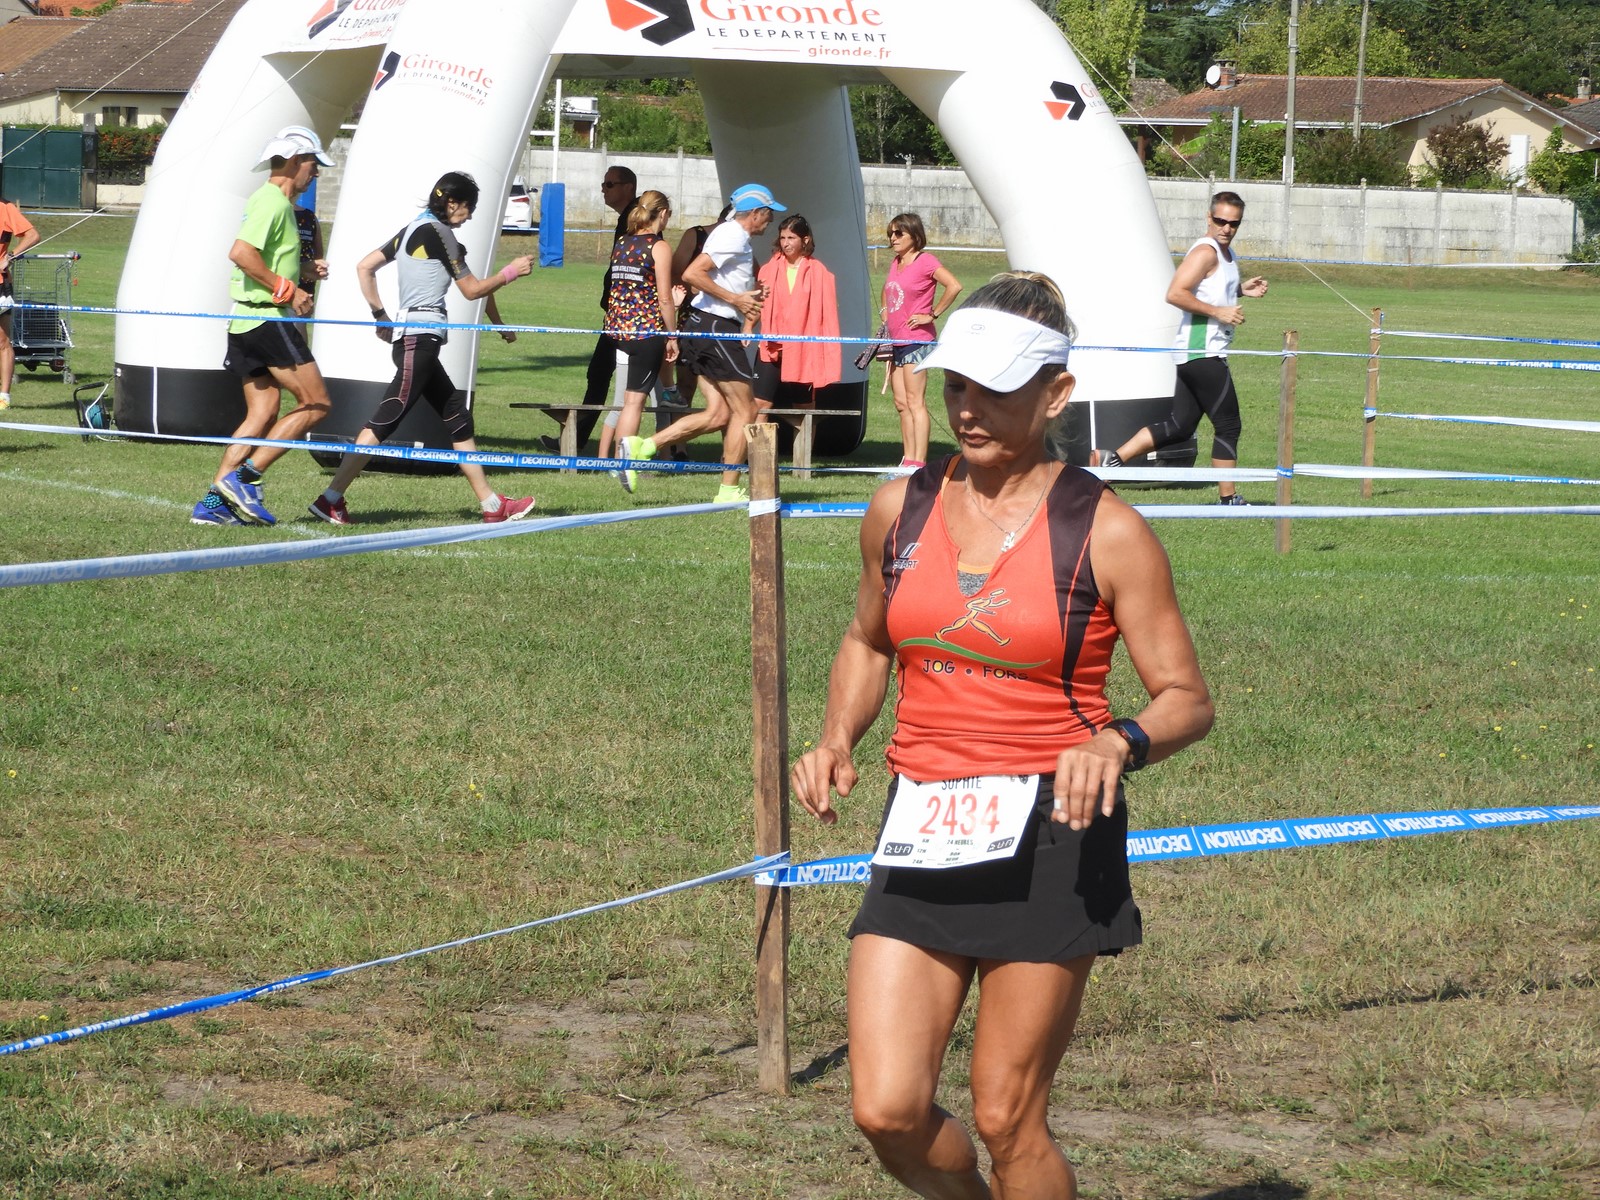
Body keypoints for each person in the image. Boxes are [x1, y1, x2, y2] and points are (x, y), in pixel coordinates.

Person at [790, 272, 1214, 1200]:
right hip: (924, 823)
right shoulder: (899, 508)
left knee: (1007, 1117)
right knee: (886, 1109)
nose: (968, 409)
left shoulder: (1107, 530)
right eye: (955, 386)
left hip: (1056, 829)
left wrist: (1118, 742)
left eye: (996, 389)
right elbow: (868, 639)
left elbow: (1187, 697)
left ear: (1057, 393)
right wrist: (836, 737)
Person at [308, 171, 536, 526]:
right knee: (387, 417)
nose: (470, 216)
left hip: (412, 339)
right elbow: (472, 290)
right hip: (420, 340)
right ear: (452, 203)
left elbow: (365, 267)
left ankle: (492, 505)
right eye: (469, 207)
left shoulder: (412, 229)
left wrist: (381, 317)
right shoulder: (440, 233)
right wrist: (511, 272)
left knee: (457, 417)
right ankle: (330, 499)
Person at [192, 125, 336, 526]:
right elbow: (241, 253)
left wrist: (302, 268)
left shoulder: (271, 201)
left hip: (245, 321)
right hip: (268, 320)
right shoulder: (273, 202)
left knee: (263, 413)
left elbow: (263, 257)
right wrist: (288, 290)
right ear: (294, 161)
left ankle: (213, 504)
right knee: (318, 404)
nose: (316, 172)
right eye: (313, 164)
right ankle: (245, 479)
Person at [1092, 190, 1268, 505]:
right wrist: (1218, 312)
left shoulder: (1226, 254)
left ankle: (1110, 460)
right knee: (1228, 425)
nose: (1226, 228)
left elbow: (1209, 289)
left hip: (1196, 353)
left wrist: (1240, 290)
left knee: (1179, 426)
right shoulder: (1205, 252)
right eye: (1220, 221)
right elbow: (1175, 293)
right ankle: (1228, 499)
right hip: (1202, 353)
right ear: (1209, 217)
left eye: (1234, 223)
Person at [619, 182, 783, 504]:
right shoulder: (732, 235)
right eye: (769, 213)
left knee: (719, 414)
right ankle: (728, 491)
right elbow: (693, 274)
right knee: (747, 409)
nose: (771, 220)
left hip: (705, 326)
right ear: (755, 212)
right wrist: (735, 299)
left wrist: (745, 297)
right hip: (715, 328)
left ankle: (643, 446)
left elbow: (715, 280)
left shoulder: (732, 235)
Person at [543, 164, 637, 454]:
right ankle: (575, 441)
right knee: (599, 376)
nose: (603, 190)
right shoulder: (626, 218)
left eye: (610, 184)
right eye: (603, 184)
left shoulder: (634, 219)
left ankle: (663, 450)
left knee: (622, 384)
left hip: (629, 318)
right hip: (618, 314)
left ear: (628, 188)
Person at [600, 189, 678, 494]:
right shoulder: (659, 247)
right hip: (645, 332)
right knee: (634, 402)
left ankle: (619, 462)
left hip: (618, 331)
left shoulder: (623, 242)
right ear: (663, 214)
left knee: (626, 401)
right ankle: (625, 463)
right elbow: (665, 298)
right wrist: (672, 335)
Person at [881, 212, 962, 471]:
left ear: (914, 235)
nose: (893, 238)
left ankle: (919, 462)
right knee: (901, 403)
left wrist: (932, 314)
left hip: (917, 340)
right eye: (891, 233)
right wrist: (885, 311)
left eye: (899, 233)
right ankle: (907, 460)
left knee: (915, 400)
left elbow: (954, 285)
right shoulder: (896, 262)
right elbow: (888, 289)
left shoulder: (925, 261)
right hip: (895, 341)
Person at [754, 213, 840, 429]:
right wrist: (748, 326)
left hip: (803, 349)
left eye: (791, 238)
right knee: (759, 405)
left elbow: (826, 314)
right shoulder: (768, 269)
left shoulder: (819, 272)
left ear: (805, 240)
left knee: (804, 408)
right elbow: (758, 305)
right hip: (771, 347)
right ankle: (755, 451)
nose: (786, 243)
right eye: (783, 238)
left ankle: (804, 452)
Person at [0, 198, 41, 410]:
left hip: (0, 285)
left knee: (2, 341)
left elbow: (32, 235)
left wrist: (10, 256)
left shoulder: (6, 208)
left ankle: (4, 397)